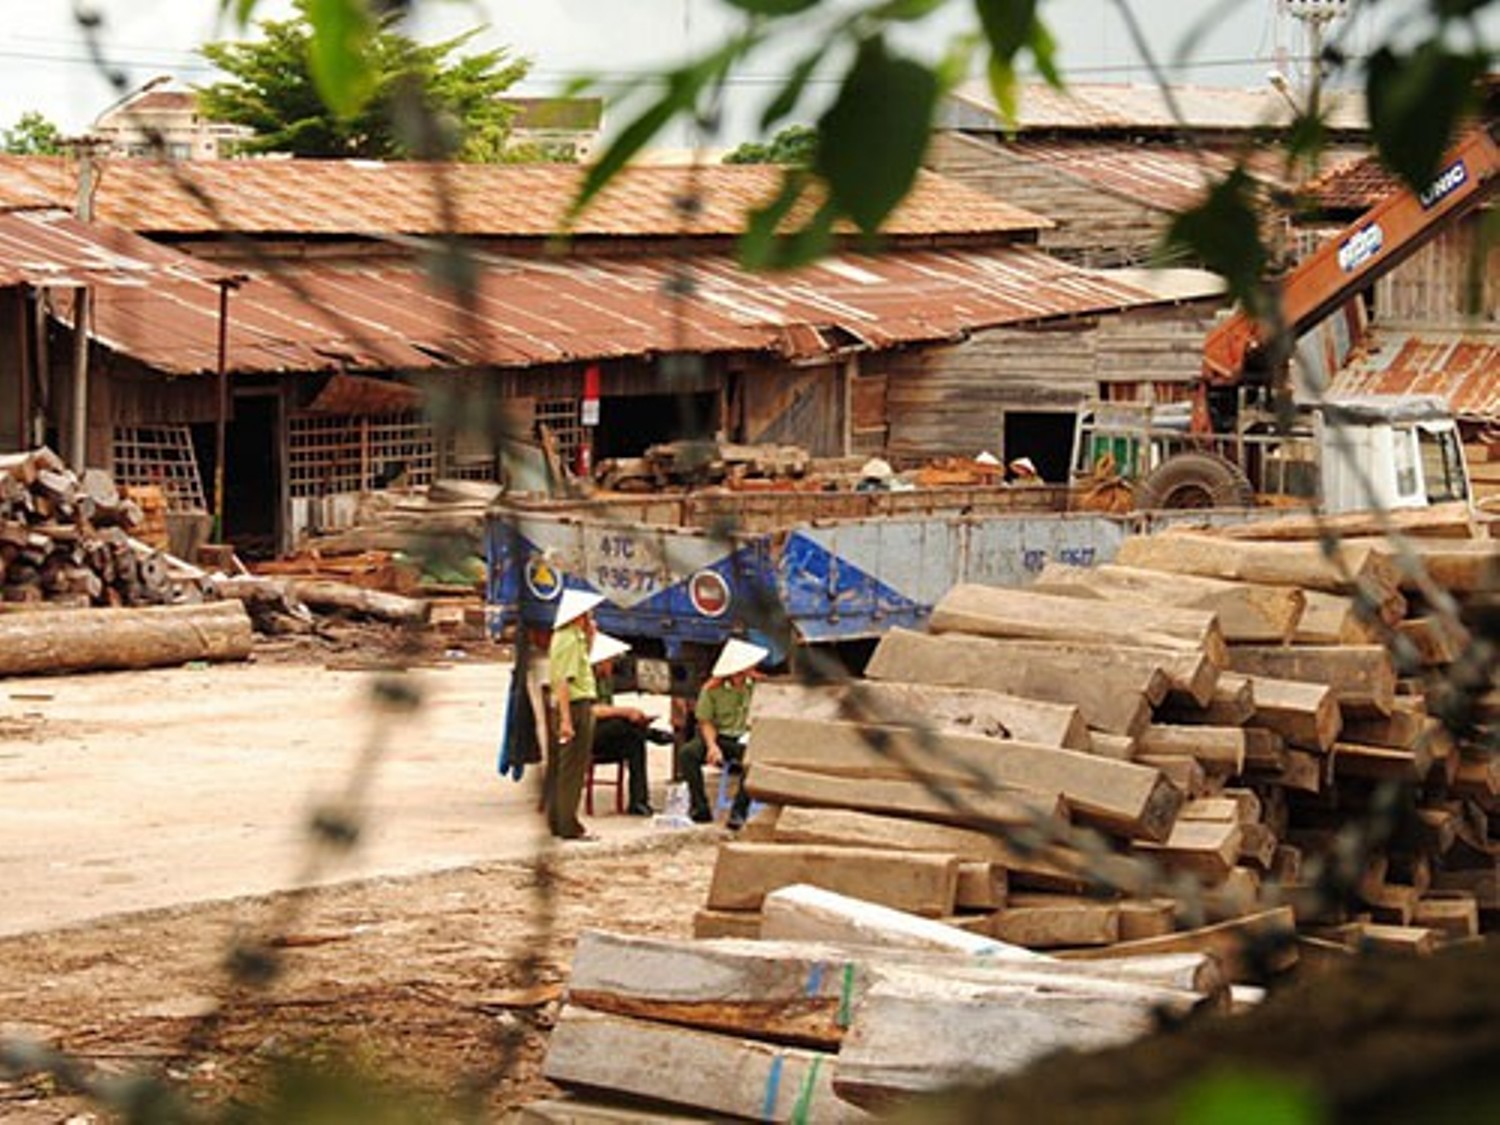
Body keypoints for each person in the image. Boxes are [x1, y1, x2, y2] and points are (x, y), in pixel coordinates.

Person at [676, 637, 767, 830]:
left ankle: (738, 812)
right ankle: (699, 807)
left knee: (754, 761)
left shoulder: (758, 686)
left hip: (745, 738)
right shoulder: (712, 690)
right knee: (688, 753)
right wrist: (712, 746)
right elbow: (705, 721)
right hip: (718, 737)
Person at [587, 631, 669, 817]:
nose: (612, 665)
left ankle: (638, 801)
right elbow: (593, 710)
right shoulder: (586, 679)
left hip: (606, 732)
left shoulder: (606, 681)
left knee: (634, 742)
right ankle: (651, 734)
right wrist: (626, 712)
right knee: (623, 724)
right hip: (589, 733)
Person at [546, 587, 604, 841]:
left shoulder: (574, 638)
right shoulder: (568, 639)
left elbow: (583, 664)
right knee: (572, 768)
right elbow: (563, 682)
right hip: (575, 706)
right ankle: (568, 824)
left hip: (576, 704)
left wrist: (591, 637)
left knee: (565, 767)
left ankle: (559, 821)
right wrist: (567, 719)